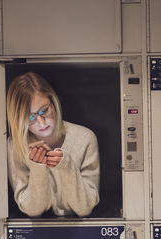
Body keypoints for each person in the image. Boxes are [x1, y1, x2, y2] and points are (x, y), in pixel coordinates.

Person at [6, 72, 100, 217]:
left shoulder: (85, 138)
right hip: (37, 232)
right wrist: (37, 168)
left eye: (44, 110)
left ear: (54, 102)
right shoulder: (16, 146)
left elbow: (84, 208)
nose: (42, 123)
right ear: (18, 120)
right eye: (29, 117)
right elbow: (33, 210)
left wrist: (66, 166)